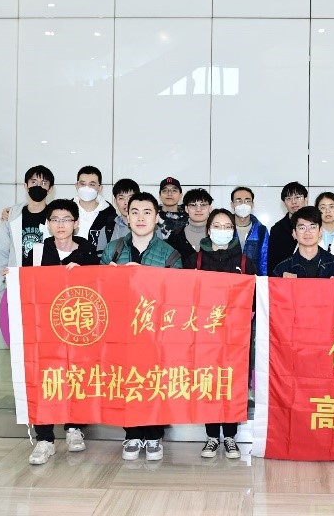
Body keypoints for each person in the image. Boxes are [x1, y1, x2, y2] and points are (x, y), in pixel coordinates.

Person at [100, 192, 183, 461]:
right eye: (134, 212)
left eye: (147, 212)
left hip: (155, 331)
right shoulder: (113, 249)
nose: (140, 218)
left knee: (154, 382)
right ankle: (132, 434)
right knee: (128, 382)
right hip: (121, 329)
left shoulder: (170, 253)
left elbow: (176, 295)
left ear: (157, 218)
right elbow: (98, 287)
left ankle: (154, 435)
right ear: (127, 216)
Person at [22, 199, 99, 465]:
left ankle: (74, 427)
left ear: (75, 223)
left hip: (78, 328)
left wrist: (84, 274)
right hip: (45, 329)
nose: (60, 224)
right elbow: (26, 285)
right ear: (48, 223)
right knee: (45, 379)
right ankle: (45, 439)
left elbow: (100, 286)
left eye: (66, 219)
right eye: (55, 219)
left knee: (76, 376)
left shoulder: (87, 251)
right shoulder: (37, 252)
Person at [184, 208, 256, 459]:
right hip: (204, 335)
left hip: (236, 336)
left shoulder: (245, 263)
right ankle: (212, 436)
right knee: (209, 382)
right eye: (217, 226)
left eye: (227, 227)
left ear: (234, 231)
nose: (222, 231)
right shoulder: (195, 261)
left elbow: (255, 299)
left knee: (232, 383)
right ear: (208, 229)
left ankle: (231, 437)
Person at [0, 165, 55, 295]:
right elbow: (1, 252)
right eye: (33, 182)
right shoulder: (11, 216)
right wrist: (1, 284)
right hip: (17, 282)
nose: (38, 186)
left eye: (44, 183)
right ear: (26, 186)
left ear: (50, 189)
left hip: (47, 284)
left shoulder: (56, 218)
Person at [272, 206, 334, 278]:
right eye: (302, 228)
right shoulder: (282, 269)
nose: (307, 232)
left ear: (320, 231)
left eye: (312, 227)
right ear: (294, 233)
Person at [267, 182, 308, 276]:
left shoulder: (315, 226)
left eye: (297, 197)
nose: (294, 202)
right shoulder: (277, 229)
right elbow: (272, 263)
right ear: (284, 203)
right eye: (289, 198)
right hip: (284, 279)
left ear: (306, 199)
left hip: (310, 279)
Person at [73, 166, 118, 248]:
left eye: (92, 184)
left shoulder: (110, 214)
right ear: (76, 186)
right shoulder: (66, 210)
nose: (87, 188)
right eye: (83, 184)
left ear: (100, 188)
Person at [166, 188, 213, 262]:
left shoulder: (218, 235)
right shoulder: (175, 237)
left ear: (210, 208)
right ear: (186, 209)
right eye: (193, 205)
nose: (198, 209)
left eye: (203, 205)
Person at [231, 186, 269, 276]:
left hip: (252, 281)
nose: (243, 205)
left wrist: (262, 282)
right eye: (239, 201)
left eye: (247, 201)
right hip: (229, 280)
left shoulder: (261, 230)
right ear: (232, 205)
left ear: (252, 205)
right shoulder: (224, 229)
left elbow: (264, 262)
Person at [95, 178, 140, 254]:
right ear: (115, 201)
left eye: (130, 197)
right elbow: (100, 259)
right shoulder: (107, 230)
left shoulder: (152, 228)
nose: (126, 202)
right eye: (121, 198)